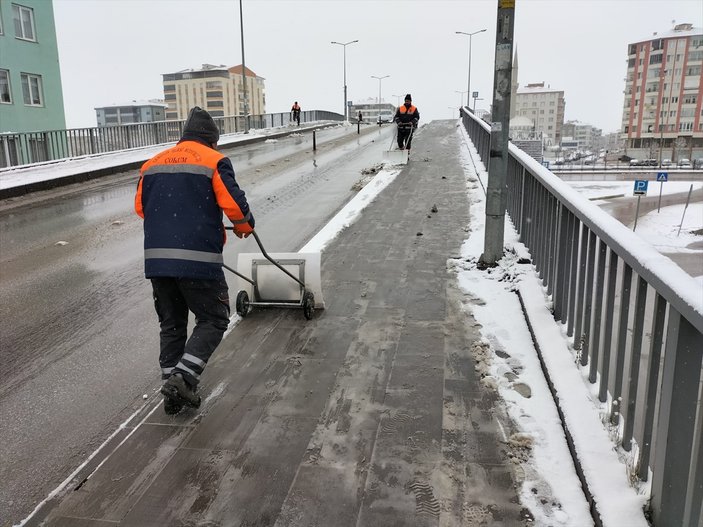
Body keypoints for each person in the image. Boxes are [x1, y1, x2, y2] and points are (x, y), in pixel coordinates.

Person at [134, 106, 255, 415]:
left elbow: (141, 208)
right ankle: (184, 378)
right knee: (214, 318)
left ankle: (172, 395)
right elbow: (235, 207)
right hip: (198, 259)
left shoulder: (152, 164)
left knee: (172, 324)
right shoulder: (214, 161)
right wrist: (244, 226)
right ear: (211, 140)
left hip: (158, 261)